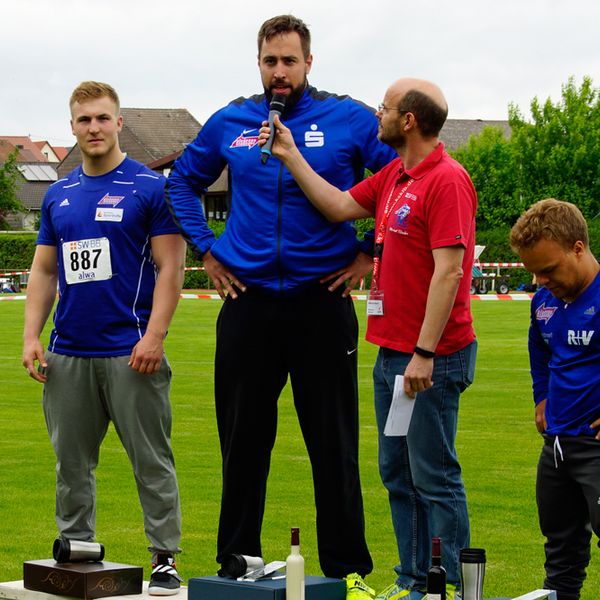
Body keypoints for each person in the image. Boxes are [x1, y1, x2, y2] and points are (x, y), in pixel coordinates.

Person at [165, 14, 395, 597]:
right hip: (249, 303)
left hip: (323, 300)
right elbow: (181, 184)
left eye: (290, 61)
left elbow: (399, 177)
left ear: (309, 63)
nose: (279, 72)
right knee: (241, 440)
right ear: (259, 63)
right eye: (270, 61)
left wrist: (370, 252)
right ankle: (236, 561)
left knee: (334, 443)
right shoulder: (232, 120)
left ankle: (347, 572)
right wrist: (210, 252)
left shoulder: (347, 118)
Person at [259, 77, 478, 600]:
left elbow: (450, 272)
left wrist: (424, 353)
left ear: (408, 121)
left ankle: (443, 586)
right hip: (391, 354)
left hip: (430, 358)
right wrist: (290, 155)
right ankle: (411, 580)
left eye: (385, 107)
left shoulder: (446, 180)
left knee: (435, 476)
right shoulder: (394, 177)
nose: (376, 114)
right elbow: (336, 205)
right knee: (398, 473)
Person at [22, 81, 186, 595]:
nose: (93, 128)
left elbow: (171, 265)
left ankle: (163, 558)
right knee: (71, 465)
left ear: (118, 122)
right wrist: (32, 336)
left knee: (151, 461)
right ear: (72, 126)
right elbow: (44, 271)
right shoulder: (58, 193)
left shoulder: (151, 188)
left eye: (101, 118)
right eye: (83, 120)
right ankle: (78, 552)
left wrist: (155, 336)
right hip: (68, 353)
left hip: (131, 351)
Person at [509, 198, 600, 600]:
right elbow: (540, 353)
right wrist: (541, 397)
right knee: (560, 555)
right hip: (557, 446)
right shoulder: (542, 304)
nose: (541, 281)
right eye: (533, 273)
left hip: (595, 446)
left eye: (548, 270)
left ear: (578, 248)